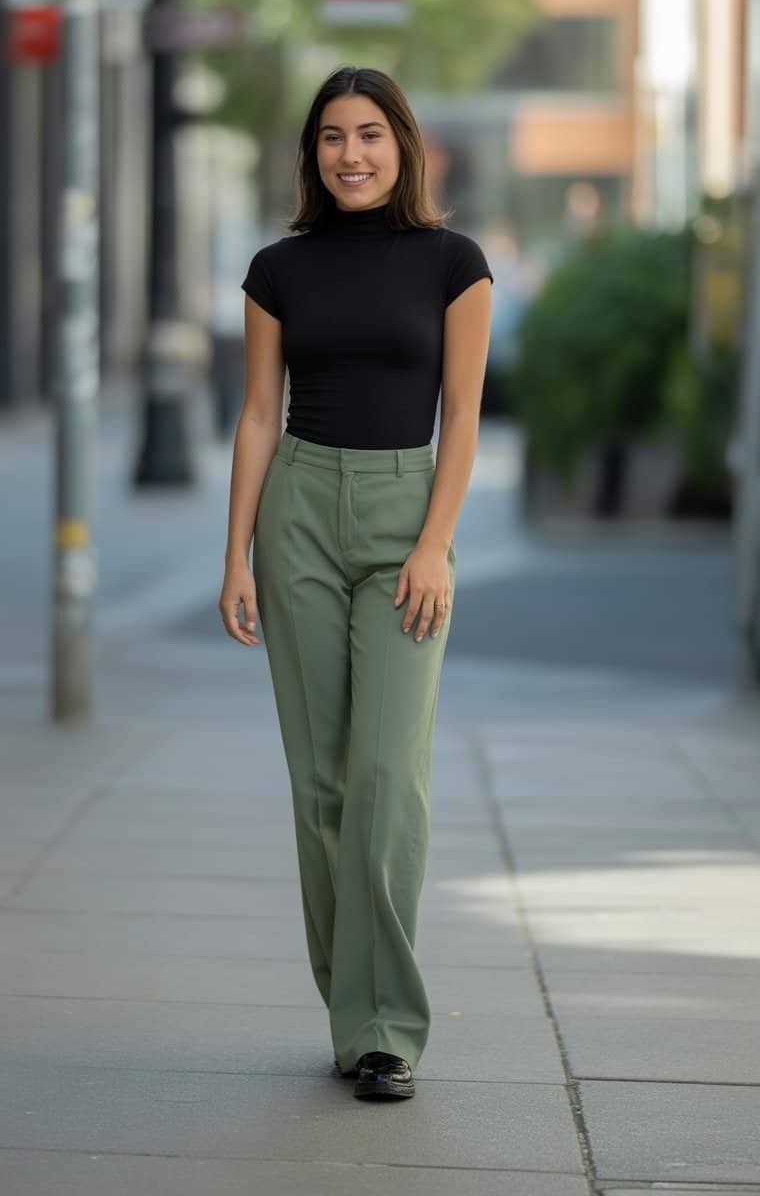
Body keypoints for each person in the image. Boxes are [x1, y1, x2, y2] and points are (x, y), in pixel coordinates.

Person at [219, 66, 493, 1102]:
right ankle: (361, 1016)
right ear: (313, 155)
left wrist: (434, 543)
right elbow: (258, 413)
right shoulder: (276, 270)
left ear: (403, 146)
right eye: (332, 137)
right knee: (322, 784)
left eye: (370, 134)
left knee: (386, 776)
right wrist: (236, 554)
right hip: (298, 512)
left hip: (405, 520)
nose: (351, 154)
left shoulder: (454, 265)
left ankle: (384, 1024)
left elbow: (463, 415)